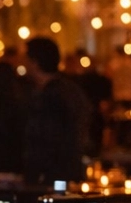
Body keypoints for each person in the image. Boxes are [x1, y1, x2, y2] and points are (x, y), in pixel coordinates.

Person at [22, 37, 90, 185]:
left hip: (52, 176)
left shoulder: (50, 97)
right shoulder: (72, 90)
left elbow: (46, 139)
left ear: (35, 62)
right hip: (71, 170)